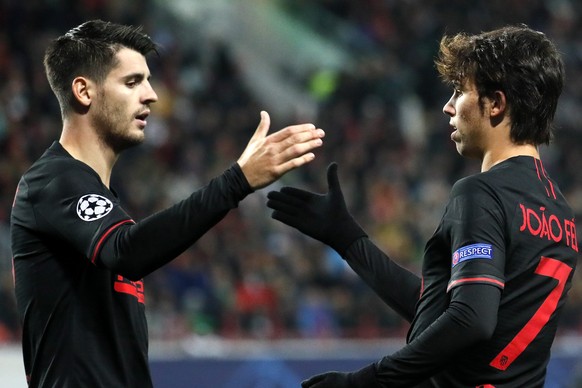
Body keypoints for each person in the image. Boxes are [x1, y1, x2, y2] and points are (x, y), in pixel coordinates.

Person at [10, 20, 325, 387]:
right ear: (84, 91)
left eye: (147, 80)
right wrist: (237, 181)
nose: (151, 94)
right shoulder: (53, 181)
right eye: (132, 82)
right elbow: (128, 251)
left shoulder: (93, 195)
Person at [267, 24, 578, 387]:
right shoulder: (559, 212)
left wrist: (365, 382)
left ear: (496, 103)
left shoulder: (481, 193)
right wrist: (349, 240)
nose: (448, 106)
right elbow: (447, 310)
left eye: (460, 91)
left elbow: (469, 319)